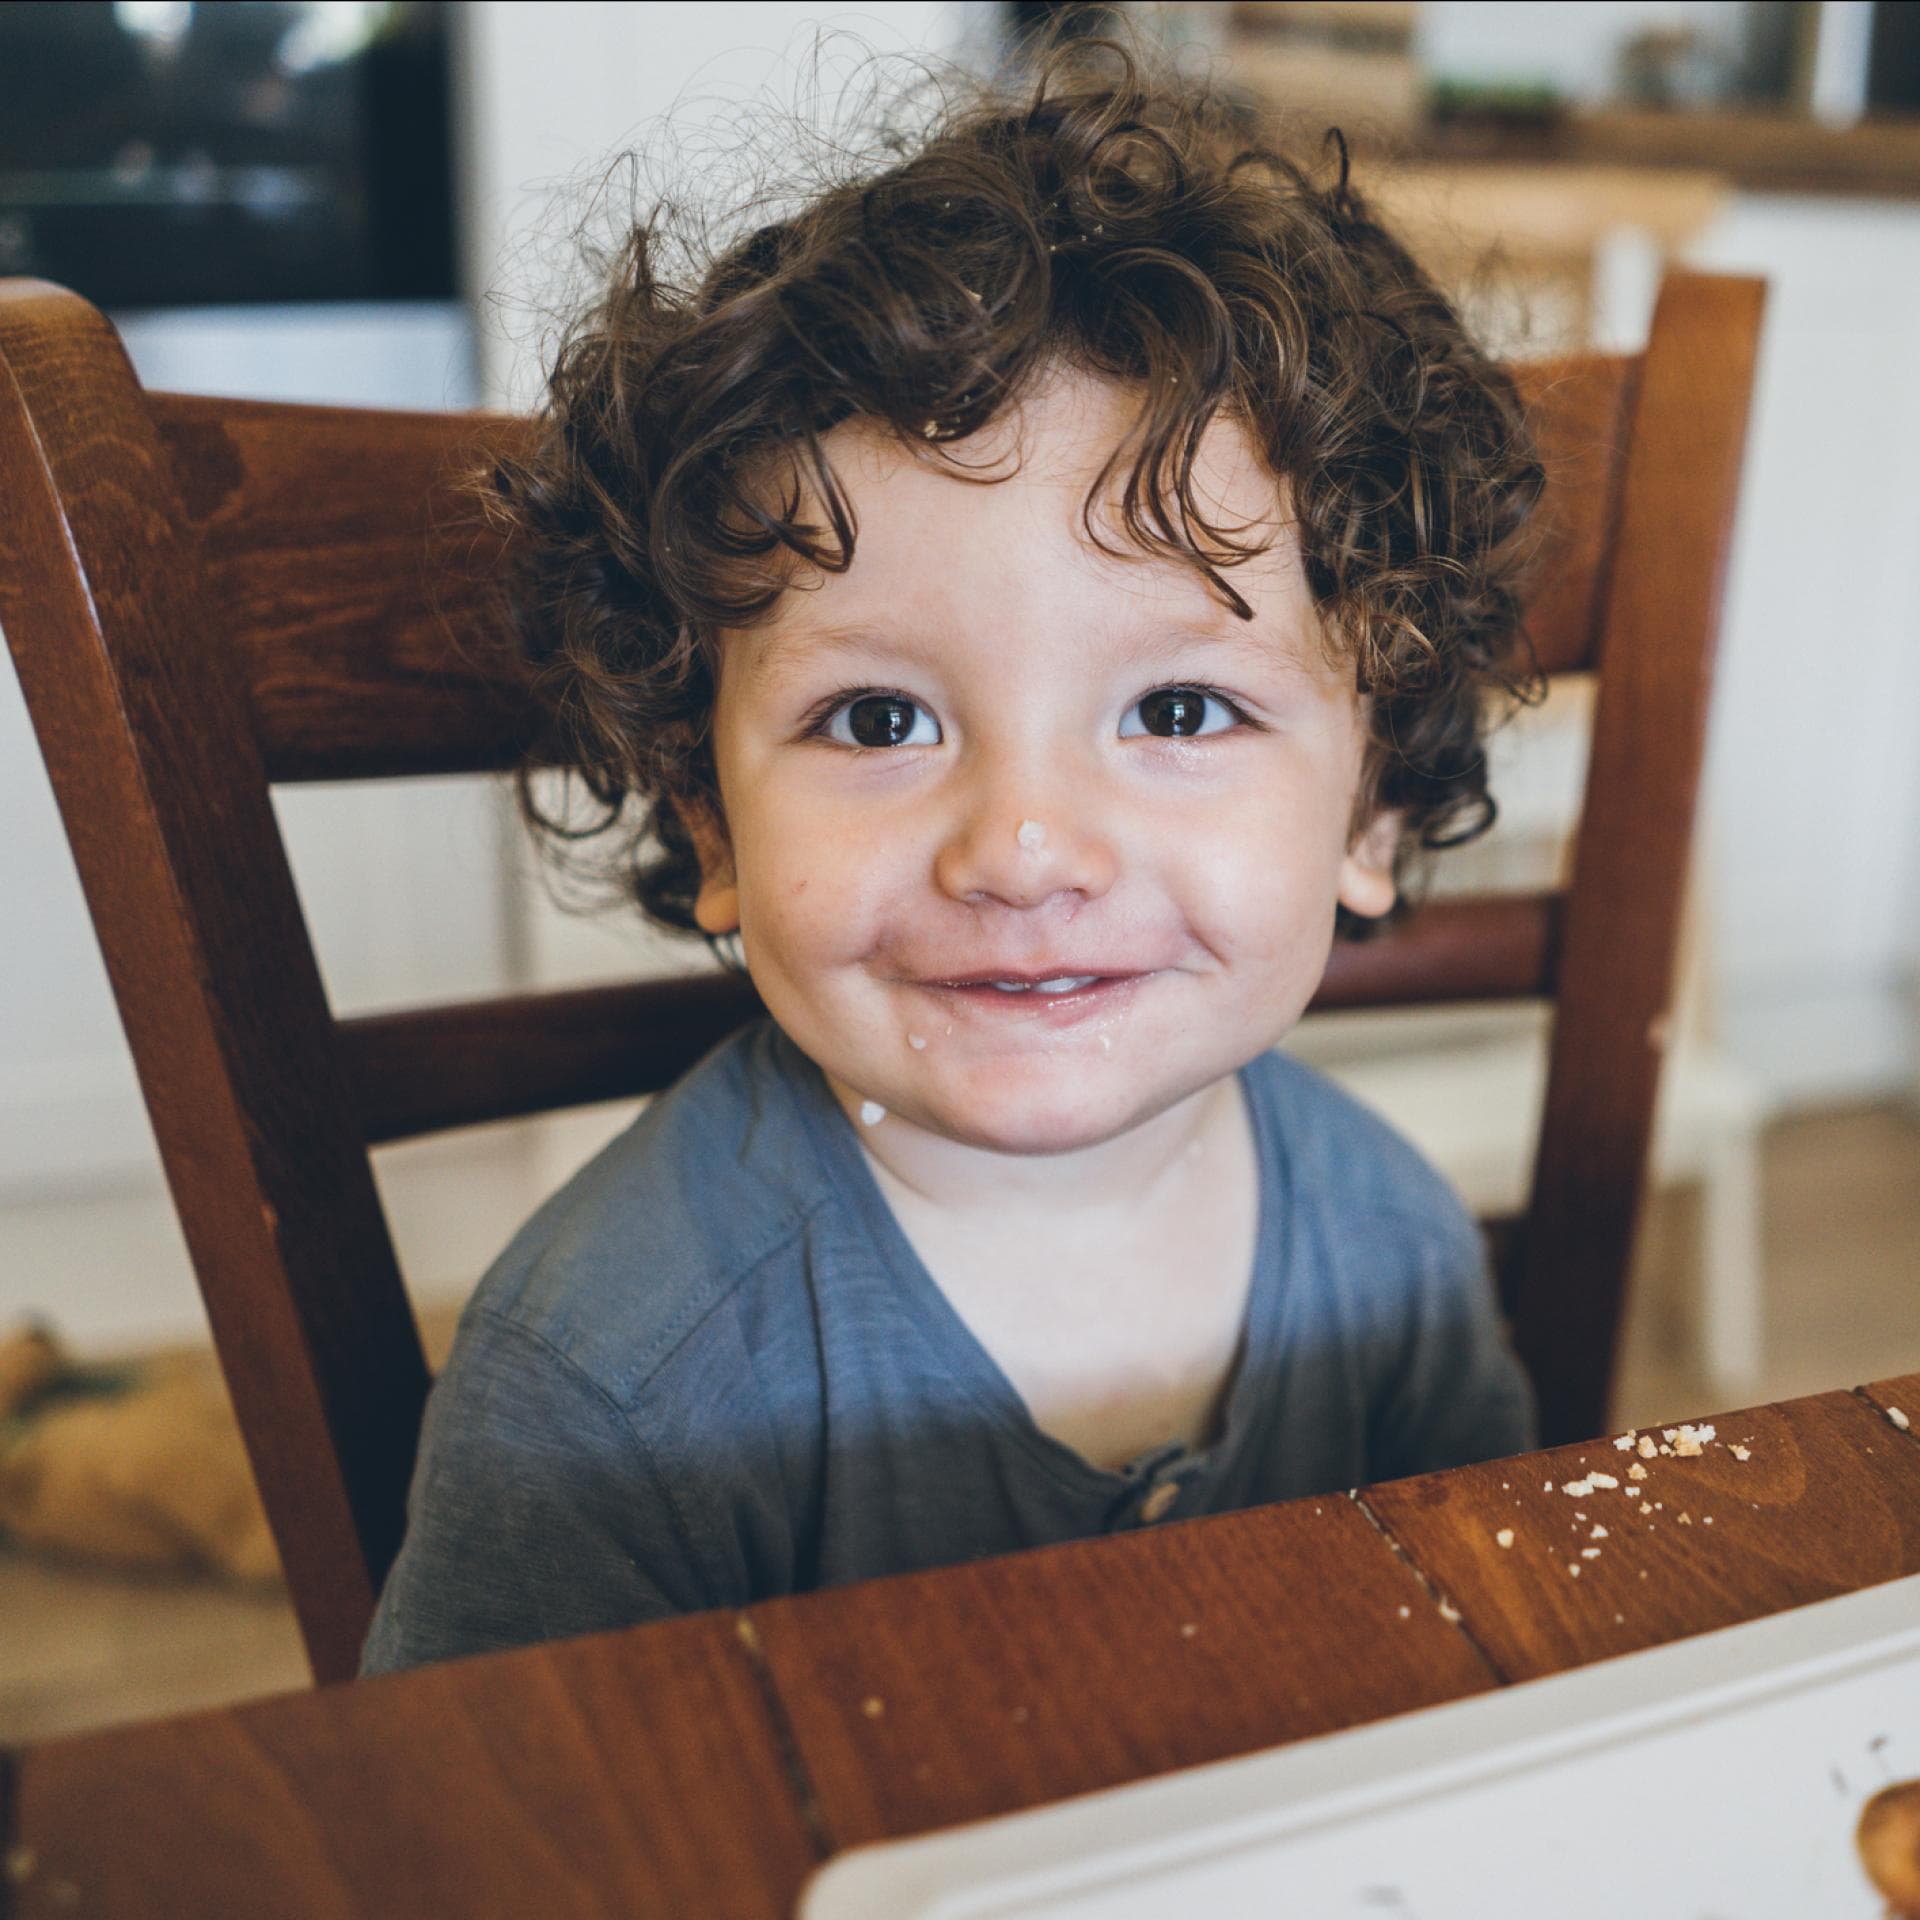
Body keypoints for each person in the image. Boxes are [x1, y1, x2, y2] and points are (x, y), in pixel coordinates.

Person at [361, 34, 1544, 1674]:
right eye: (878, 721)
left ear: (1373, 807)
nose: (1025, 851)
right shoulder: (606, 1390)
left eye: (1181, 708)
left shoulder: (1396, 1245)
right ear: (707, 818)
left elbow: (1502, 1672)